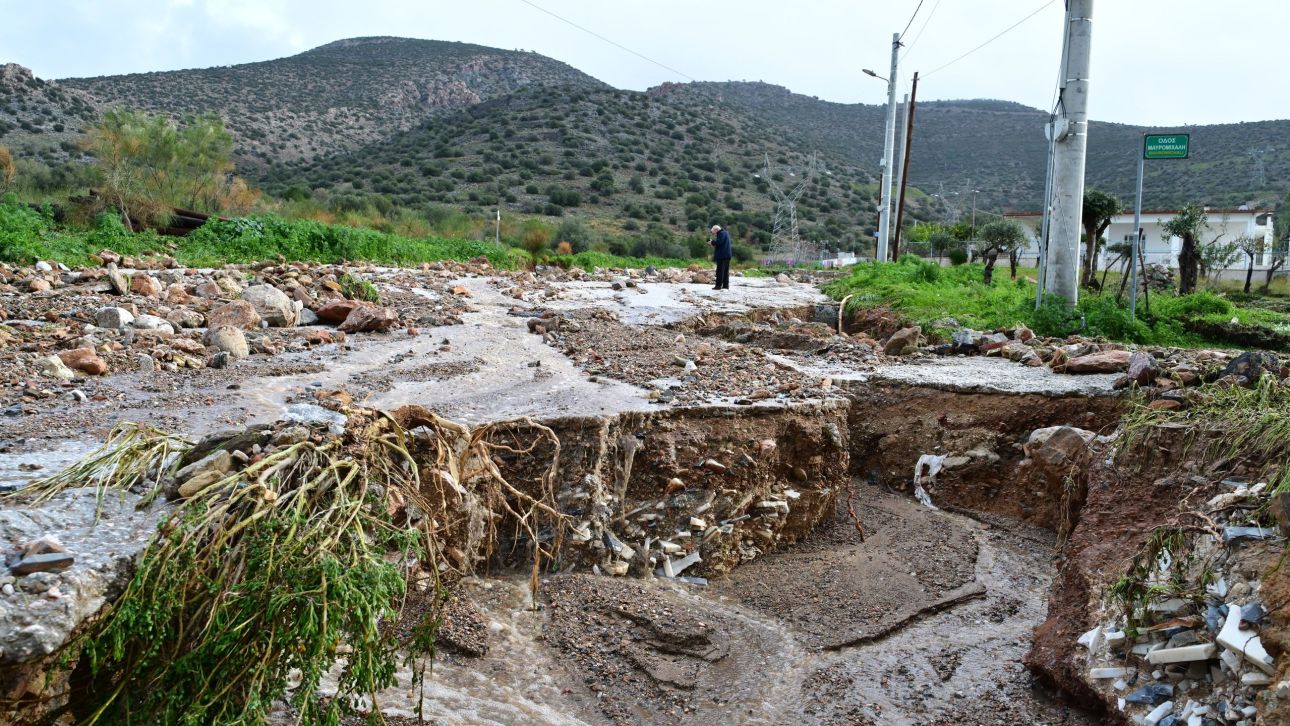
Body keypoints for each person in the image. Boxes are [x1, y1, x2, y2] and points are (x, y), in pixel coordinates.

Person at [709, 224, 732, 290]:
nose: (712, 233)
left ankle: (718, 286)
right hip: (727, 255)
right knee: (725, 271)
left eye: (712, 231)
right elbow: (721, 244)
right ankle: (725, 286)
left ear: (716, 230)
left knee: (720, 271)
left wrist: (712, 242)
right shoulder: (725, 233)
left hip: (722, 255)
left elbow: (719, 242)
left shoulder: (721, 234)